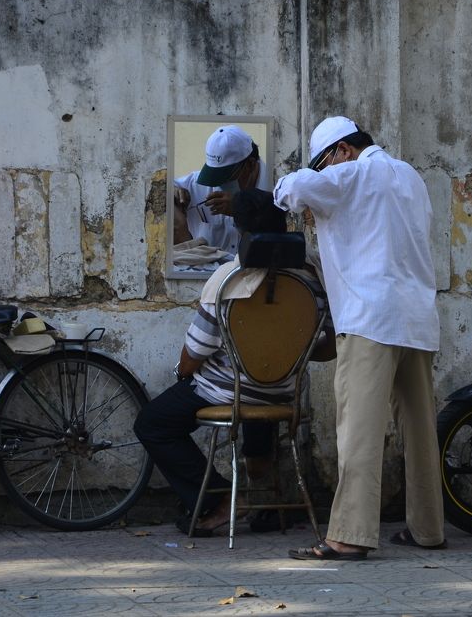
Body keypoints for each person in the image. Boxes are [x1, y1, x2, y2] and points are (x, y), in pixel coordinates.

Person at [274, 116, 444, 560]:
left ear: (342, 151)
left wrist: (295, 184)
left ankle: (348, 536)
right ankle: (428, 529)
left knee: (360, 434)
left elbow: (291, 190)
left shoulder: (348, 174)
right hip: (418, 318)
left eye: (324, 163)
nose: (324, 172)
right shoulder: (409, 176)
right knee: (421, 431)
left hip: (370, 320)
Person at [135, 189, 330, 536]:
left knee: (152, 423)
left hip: (228, 391)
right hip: (282, 392)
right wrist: (285, 352)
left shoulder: (229, 278)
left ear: (239, 230)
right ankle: (267, 504)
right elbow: (328, 345)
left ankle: (220, 498)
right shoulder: (313, 278)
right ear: (284, 224)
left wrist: (182, 374)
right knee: (259, 399)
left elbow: (195, 352)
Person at [172, 125, 271, 258]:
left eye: (226, 177)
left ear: (250, 165)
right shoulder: (196, 185)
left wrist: (241, 209)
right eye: (215, 176)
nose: (219, 184)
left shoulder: (277, 190)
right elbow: (161, 188)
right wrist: (173, 193)